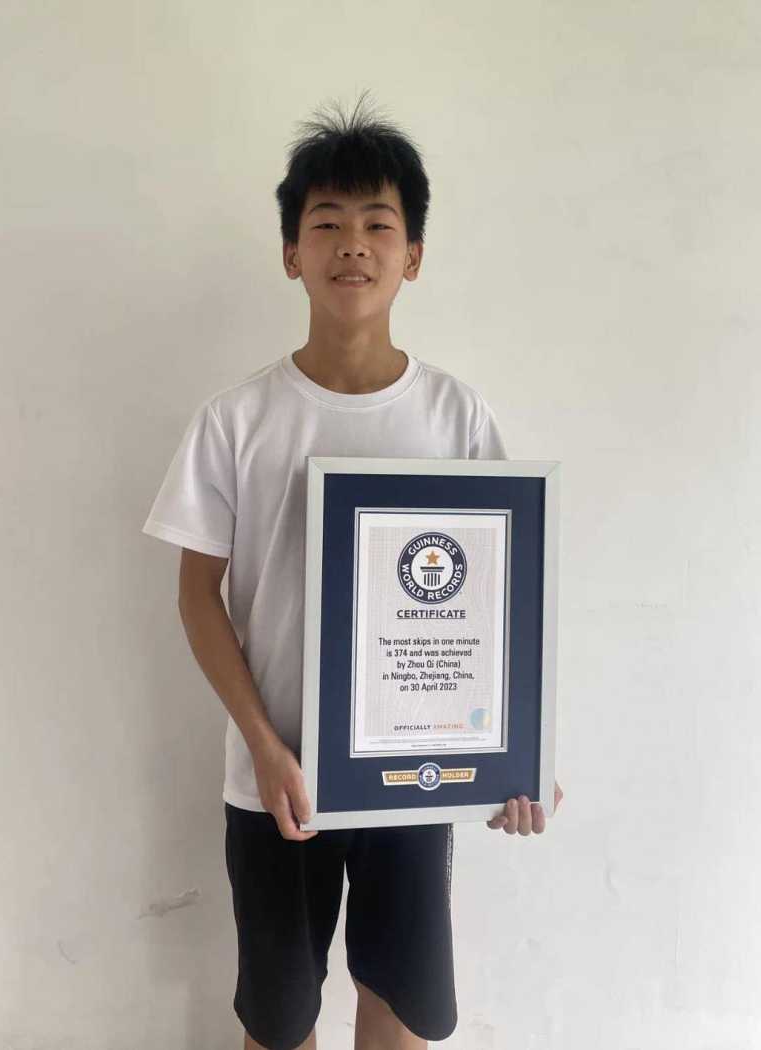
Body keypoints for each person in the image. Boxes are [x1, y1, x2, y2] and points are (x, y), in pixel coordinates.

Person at [141, 91, 563, 1050]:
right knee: (279, 1023)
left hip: (417, 774)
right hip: (276, 781)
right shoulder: (236, 421)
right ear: (292, 252)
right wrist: (264, 746)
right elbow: (198, 596)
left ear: (413, 255)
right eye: (326, 223)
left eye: (379, 224)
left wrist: (521, 756)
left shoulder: (458, 418)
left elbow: (501, 599)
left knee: (401, 1012)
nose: (353, 246)